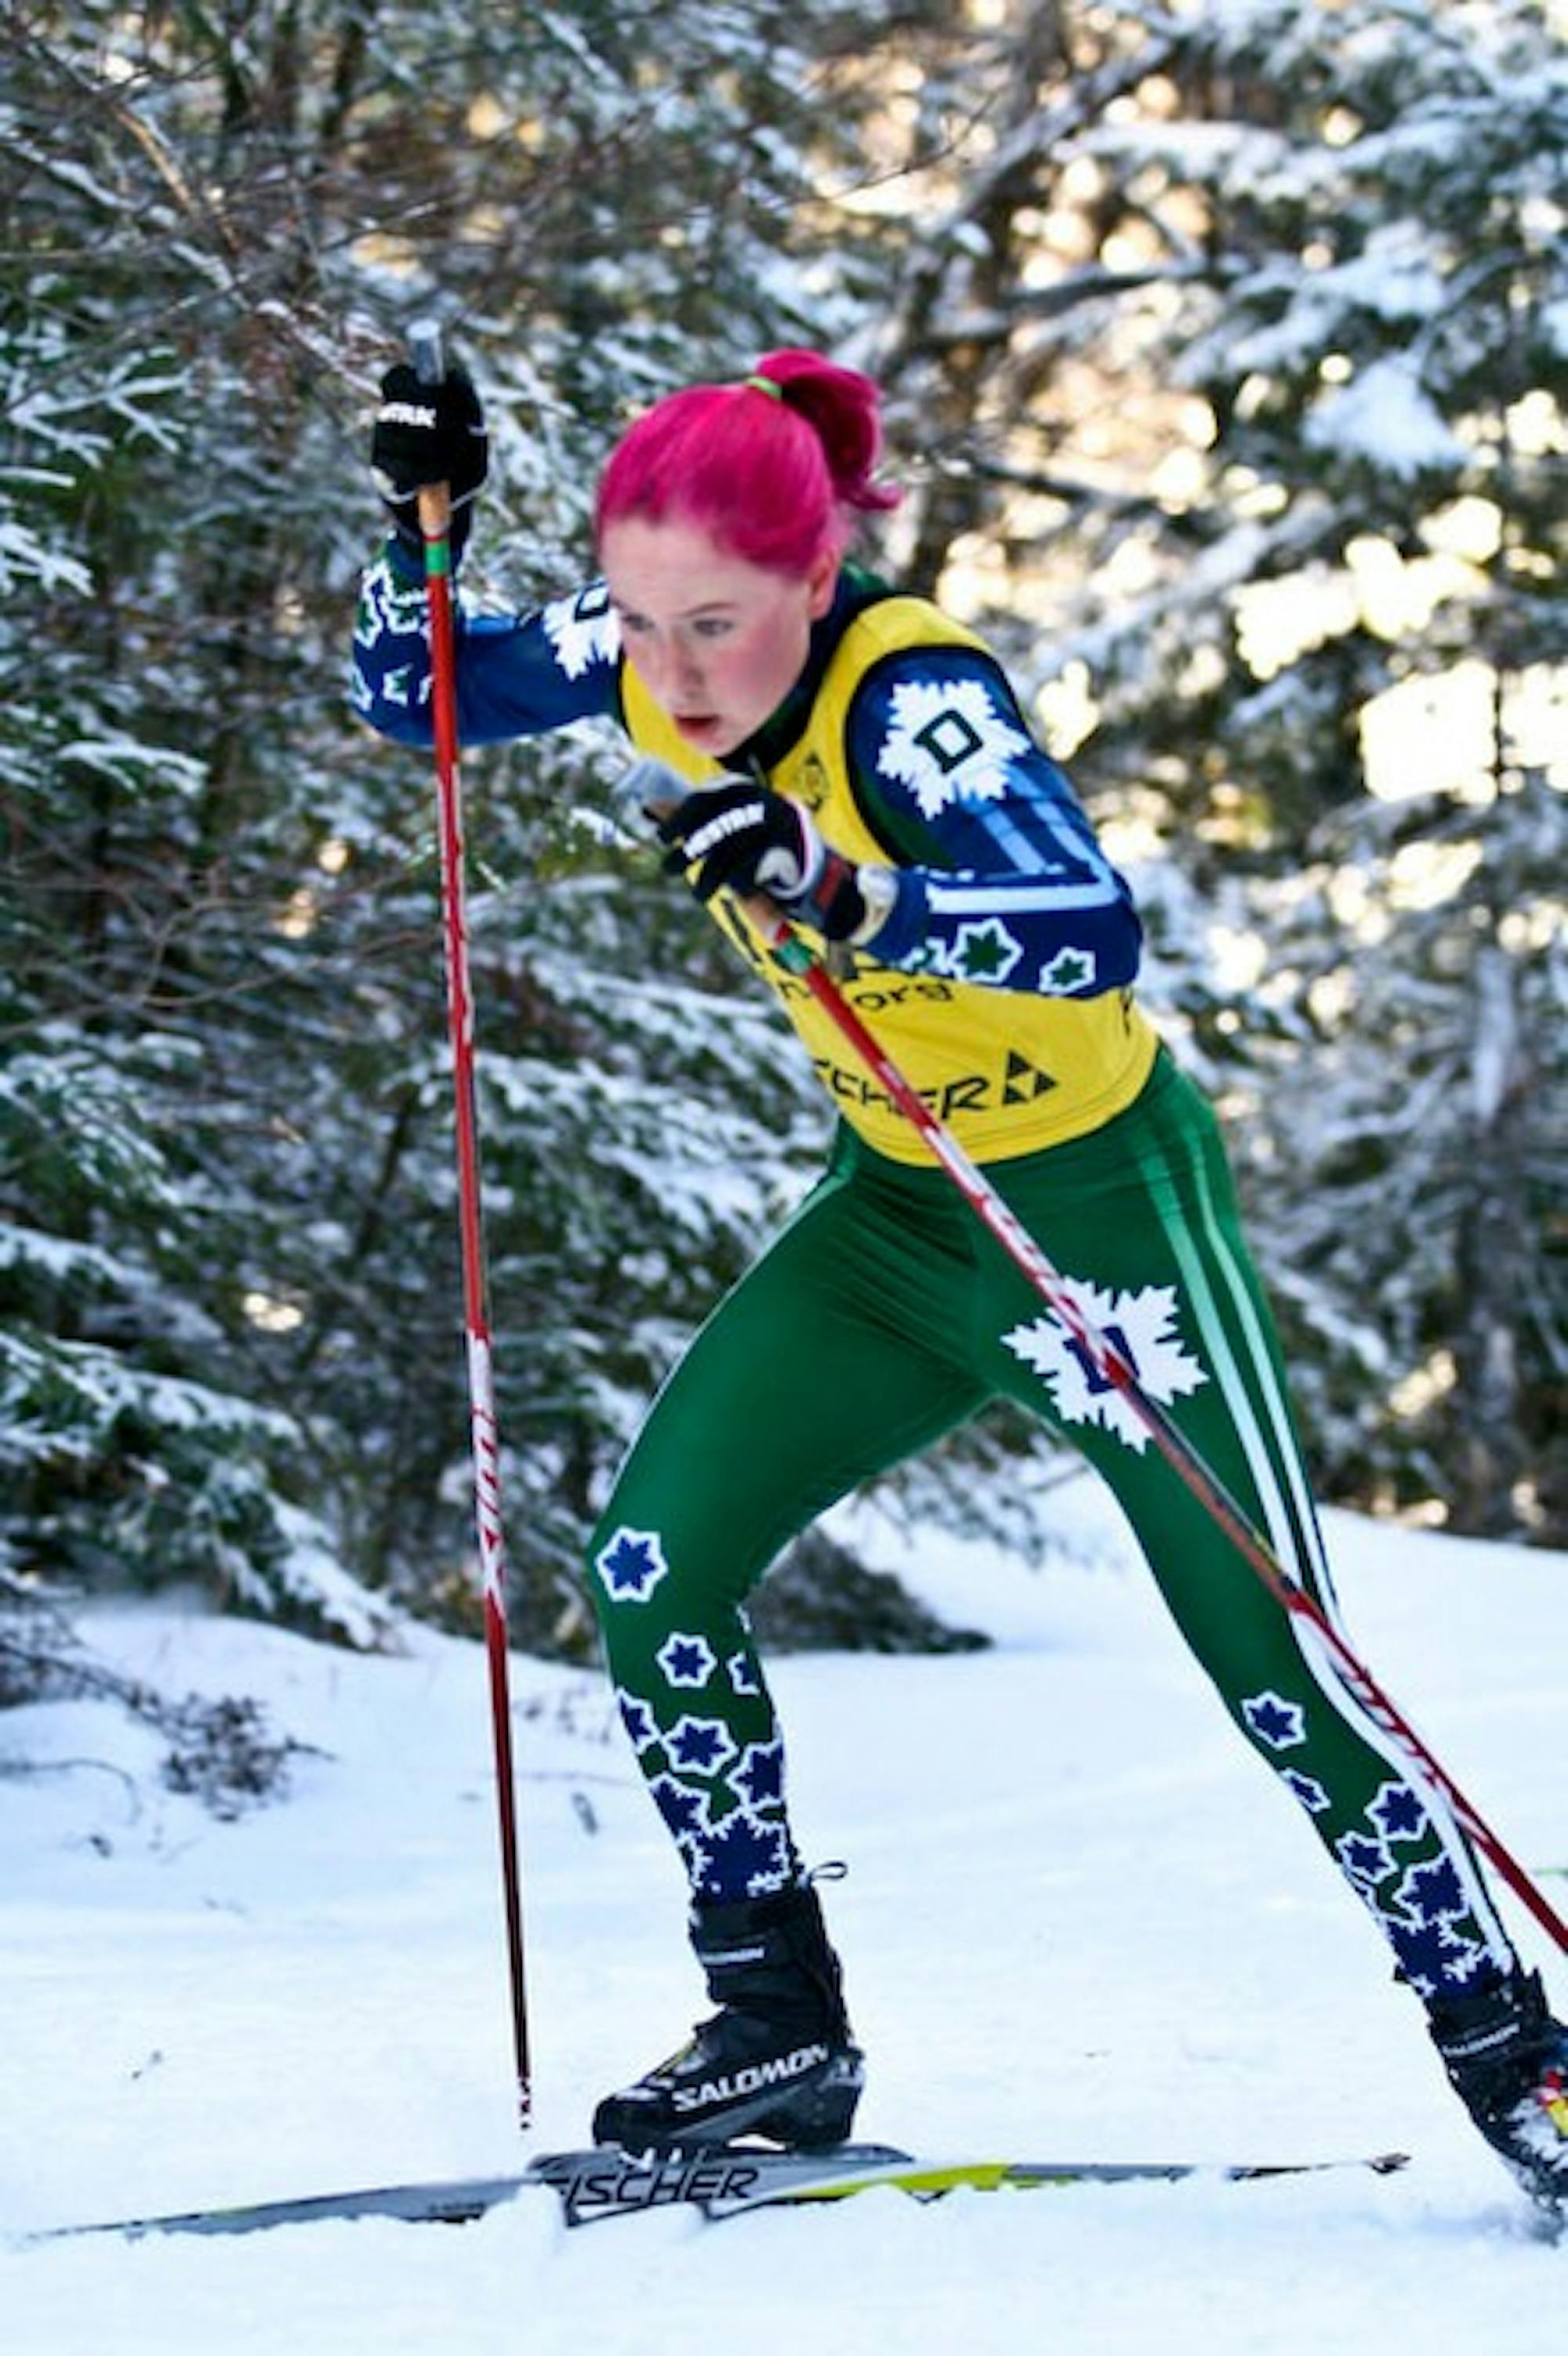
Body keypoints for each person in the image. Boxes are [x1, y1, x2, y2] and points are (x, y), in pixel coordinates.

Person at [353, 347, 1567, 2202]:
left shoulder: (909, 693)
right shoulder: (636, 654)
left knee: (1277, 1667)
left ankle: (1517, 2058)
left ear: (815, 583)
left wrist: (850, 889)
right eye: (641, 624)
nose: (675, 674)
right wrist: (419, 532)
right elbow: (413, 697)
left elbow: (1091, 929)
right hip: (905, 1218)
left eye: (720, 625)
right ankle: (776, 2024)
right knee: (652, 1566)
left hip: (1098, 1226)